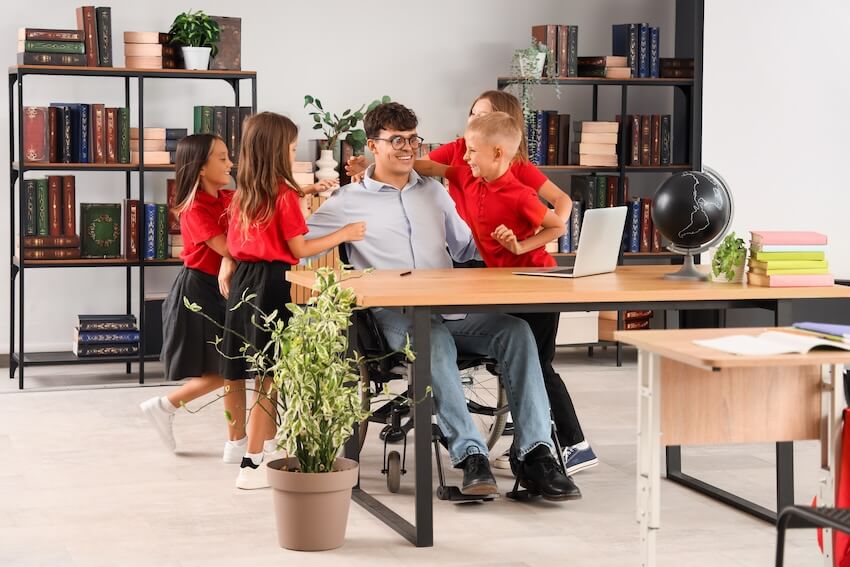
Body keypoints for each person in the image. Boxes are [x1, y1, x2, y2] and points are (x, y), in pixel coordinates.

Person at [307, 102, 580, 501]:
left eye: (413, 139)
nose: (407, 148)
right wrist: (343, 234)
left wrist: (513, 238)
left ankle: (535, 455)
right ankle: (472, 456)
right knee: (431, 336)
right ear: (374, 145)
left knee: (516, 331)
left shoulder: (434, 192)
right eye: (396, 139)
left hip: (450, 308)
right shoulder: (349, 200)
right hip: (393, 318)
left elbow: (467, 246)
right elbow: (298, 247)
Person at [222, 112, 365, 490]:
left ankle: (245, 448)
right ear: (274, 152)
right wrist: (344, 233)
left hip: (243, 283)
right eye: (288, 148)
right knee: (270, 378)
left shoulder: (244, 194)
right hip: (272, 284)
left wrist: (311, 191)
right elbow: (300, 248)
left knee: (250, 370)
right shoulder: (283, 196)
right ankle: (252, 463)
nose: (291, 154)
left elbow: (254, 231)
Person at [140, 133, 248, 462]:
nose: (230, 163)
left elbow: (252, 218)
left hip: (223, 288)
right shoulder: (194, 207)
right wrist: (230, 258)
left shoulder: (228, 197)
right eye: (222, 158)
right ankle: (166, 405)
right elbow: (231, 247)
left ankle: (235, 443)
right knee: (229, 369)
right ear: (200, 167)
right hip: (200, 290)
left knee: (235, 368)